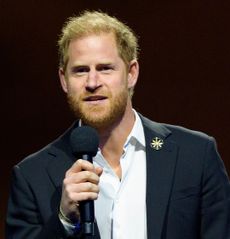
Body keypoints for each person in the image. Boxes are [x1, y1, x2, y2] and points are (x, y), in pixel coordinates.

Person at [6, 10, 230, 239]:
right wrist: (63, 220)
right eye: (81, 70)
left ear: (131, 73)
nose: (92, 82)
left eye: (105, 68)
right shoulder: (31, 177)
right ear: (64, 80)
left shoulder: (195, 155)